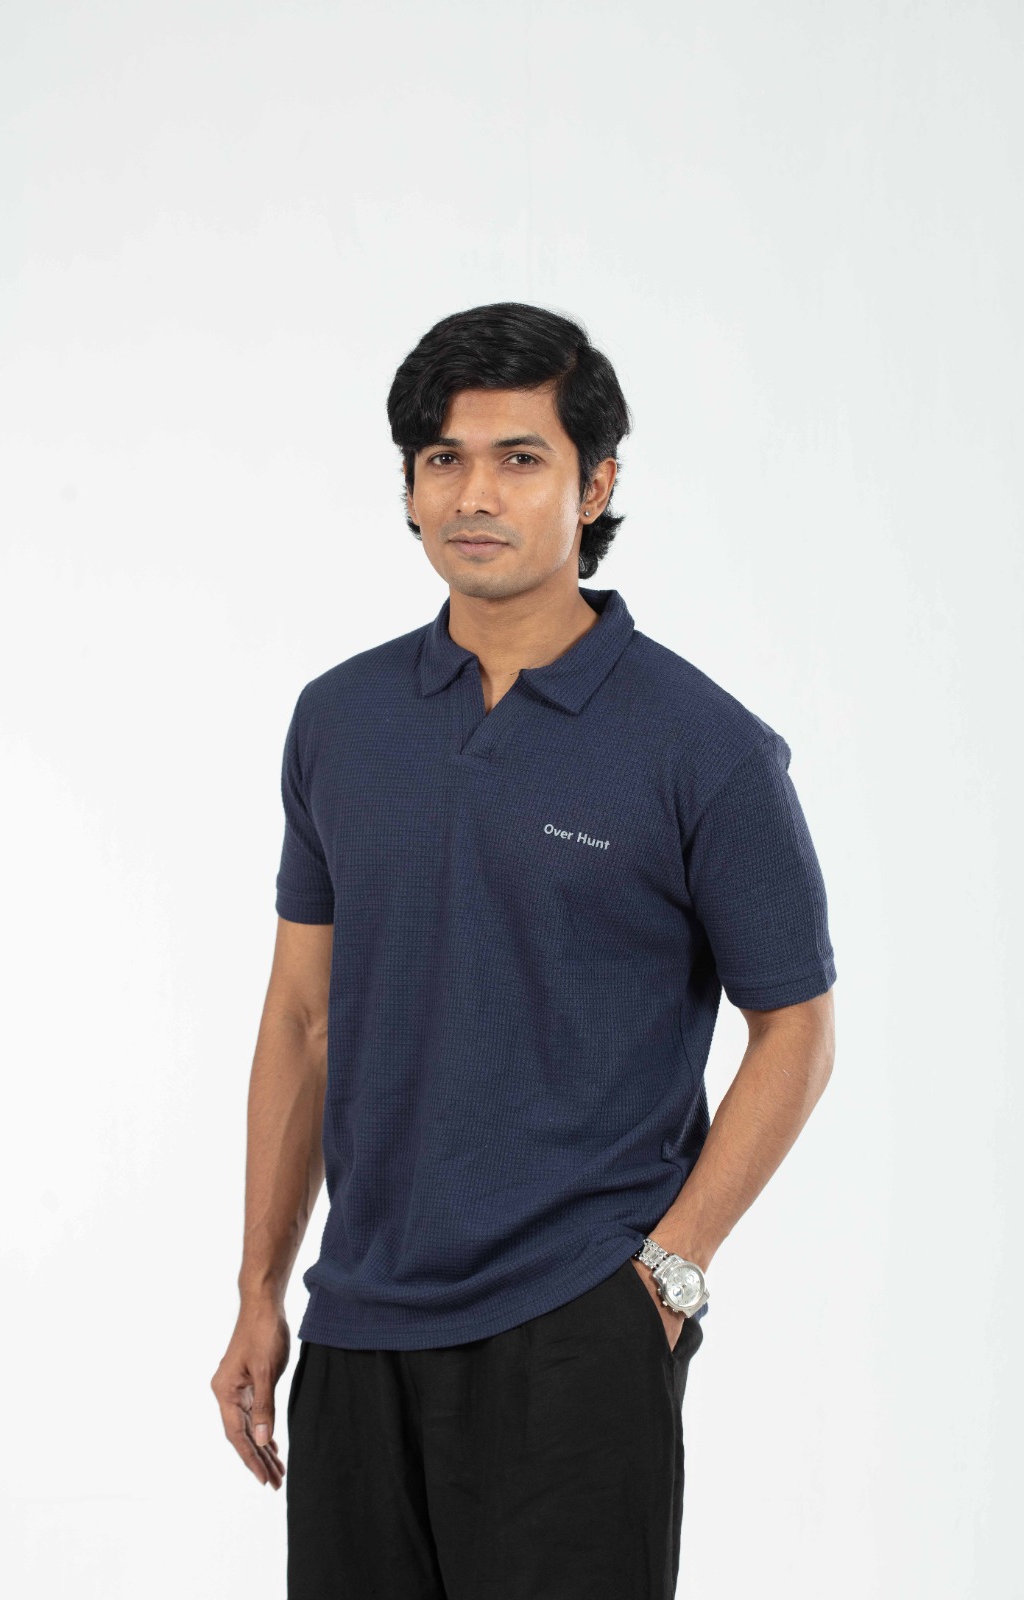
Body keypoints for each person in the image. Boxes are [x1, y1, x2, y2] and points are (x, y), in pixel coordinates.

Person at [210, 301, 837, 1599]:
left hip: (574, 1323)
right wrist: (261, 1288)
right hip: (356, 1326)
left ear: (593, 485)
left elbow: (796, 1029)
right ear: (408, 487)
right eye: (443, 458)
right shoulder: (339, 720)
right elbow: (303, 1018)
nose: (474, 494)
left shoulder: (704, 747)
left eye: (519, 457)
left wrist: (666, 1276)